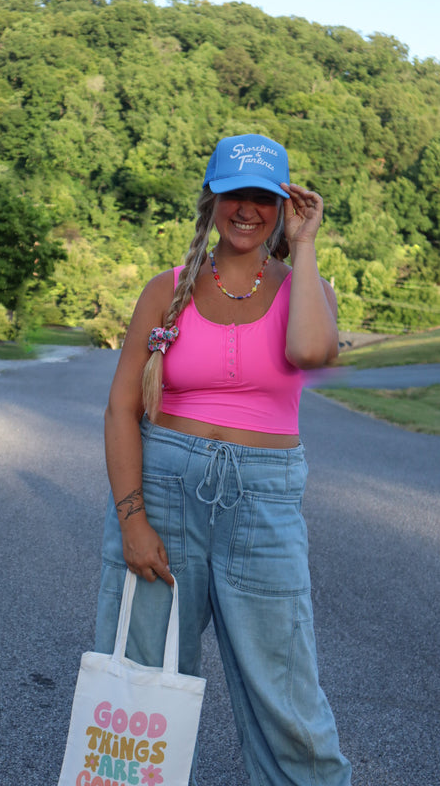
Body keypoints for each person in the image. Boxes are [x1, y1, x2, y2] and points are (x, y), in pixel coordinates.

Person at [95, 133, 352, 786]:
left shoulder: (307, 287)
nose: (246, 209)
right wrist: (131, 520)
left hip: (262, 503)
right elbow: (120, 409)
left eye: (263, 197)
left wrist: (302, 243)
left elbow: (314, 355)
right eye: (233, 192)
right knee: (138, 684)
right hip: (162, 489)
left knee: (285, 696)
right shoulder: (165, 291)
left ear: (283, 203)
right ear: (210, 198)